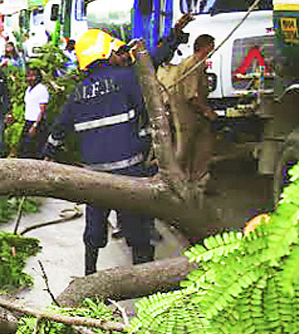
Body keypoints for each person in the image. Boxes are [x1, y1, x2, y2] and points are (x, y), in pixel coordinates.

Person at [44, 29, 155, 275]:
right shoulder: (126, 78)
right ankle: (146, 280)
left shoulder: (77, 93)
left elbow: (59, 128)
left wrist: (48, 152)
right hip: (129, 170)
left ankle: (89, 276)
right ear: (105, 52)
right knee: (136, 226)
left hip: (95, 175)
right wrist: (146, 145)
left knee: (94, 228)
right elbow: (147, 112)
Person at [167, 34, 218, 182]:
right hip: (187, 116)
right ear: (205, 47)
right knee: (185, 150)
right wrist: (208, 112)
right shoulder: (193, 64)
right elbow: (192, 97)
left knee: (199, 148)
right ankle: (180, 183)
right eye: (211, 46)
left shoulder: (196, 63)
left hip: (192, 115)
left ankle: (195, 181)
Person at [19, 67, 49, 158]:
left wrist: (35, 125)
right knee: (24, 149)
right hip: (28, 121)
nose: (30, 78)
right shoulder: (28, 90)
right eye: (28, 76)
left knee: (35, 150)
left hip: (37, 123)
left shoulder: (41, 89)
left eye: (32, 76)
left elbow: (42, 110)